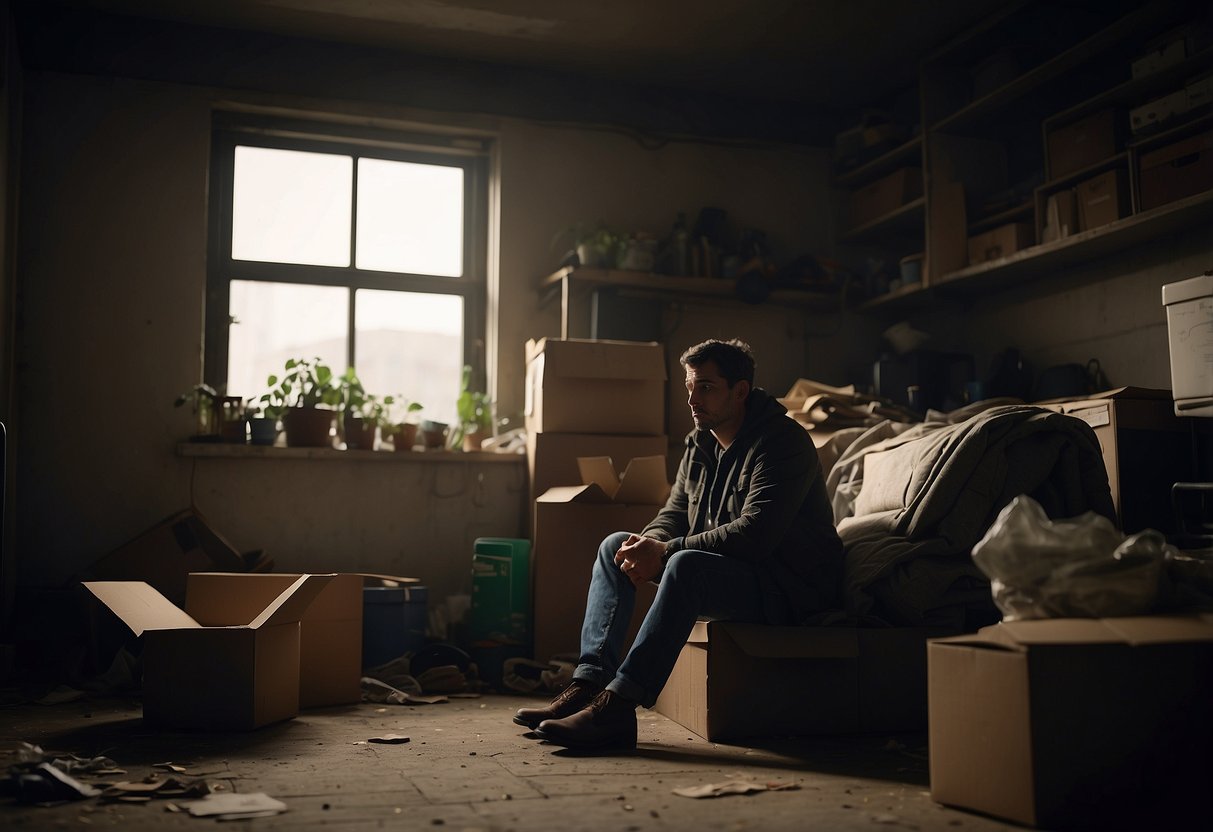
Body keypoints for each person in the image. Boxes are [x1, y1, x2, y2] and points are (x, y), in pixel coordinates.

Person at [513, 338, 844, 750]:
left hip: (790, 589)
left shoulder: (782, 442)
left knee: (686, 564)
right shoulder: (700, 440)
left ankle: (618, 707)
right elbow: (676, 513)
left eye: (705, 387)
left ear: (739, 391)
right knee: (614, 545)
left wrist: (665, 553)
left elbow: (755, 535)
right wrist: (648, 543)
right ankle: (588, 684)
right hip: (735, 575)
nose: (692, 399)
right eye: (690, 387)